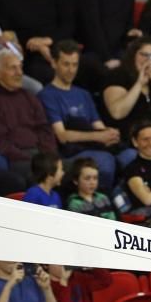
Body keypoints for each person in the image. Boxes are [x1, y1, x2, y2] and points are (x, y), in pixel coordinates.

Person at [38, 40, 121, 190]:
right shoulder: (47, 95)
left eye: (74, 65)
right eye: (66, 64)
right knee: (106, 160)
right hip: (70, 154)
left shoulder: (83, 94)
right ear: (54, 63)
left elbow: (98, 126)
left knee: (129, 156)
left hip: (92, 147)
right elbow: (62, 136)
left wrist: (110, 135)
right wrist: (98, 136)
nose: (71, 70)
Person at [0, 48, 58, 186]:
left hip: (40, 154)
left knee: (71, 169)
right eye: (13, 68)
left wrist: (47, 154)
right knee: (44, 174)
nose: (19, 73)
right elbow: (0, 143)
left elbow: (44, 128)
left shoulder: (29, 97)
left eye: (20, 67)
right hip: (16, 159)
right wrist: (33, 159)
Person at [102, 38, 151, 165]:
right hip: (132, 141)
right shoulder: (117, 76)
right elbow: (117, 112)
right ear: (133, 56)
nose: (148, 60)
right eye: (144, 55)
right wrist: (139, 83)